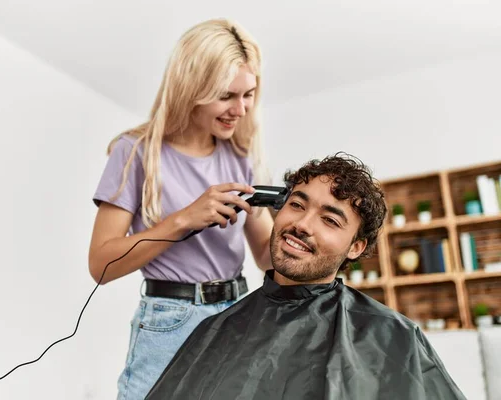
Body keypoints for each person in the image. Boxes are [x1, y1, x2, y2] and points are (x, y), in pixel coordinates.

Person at [145, 153, 467, 400]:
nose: (303, 224)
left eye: (330, 220)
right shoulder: (215, 331)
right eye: (297, 205)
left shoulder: (394, 337)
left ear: (355, 247)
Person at [88, 19, 274, 400]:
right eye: (226, 95)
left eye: (249, 94)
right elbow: (100, 265)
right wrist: (184, 219)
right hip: (169, 322)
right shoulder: (135, 152)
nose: (239, 109)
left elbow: (266, 256)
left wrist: (308, 230)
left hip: (236, 316)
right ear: (193, 88)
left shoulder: (241, 157)